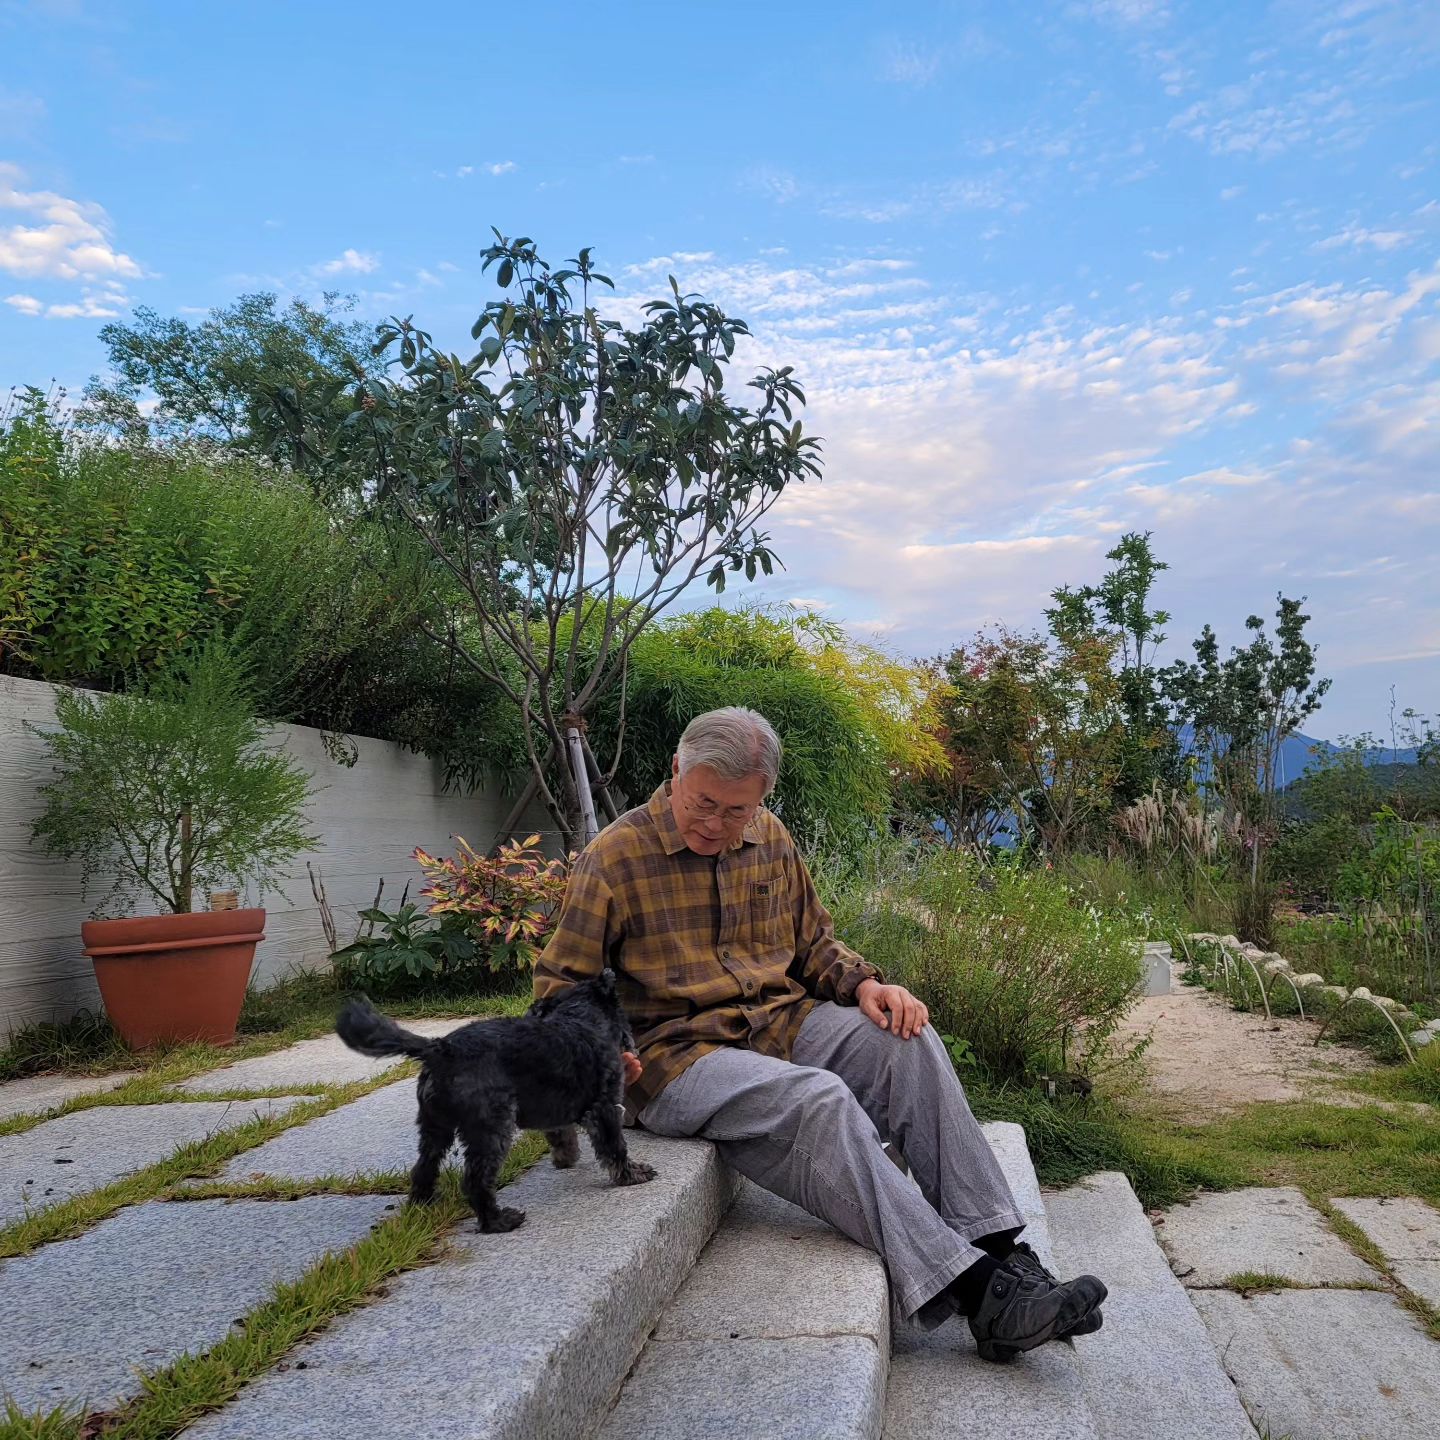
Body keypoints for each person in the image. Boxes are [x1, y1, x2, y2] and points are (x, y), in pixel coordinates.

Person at [533, 706, 1106, 1360]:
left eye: (737, 811)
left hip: (778, 1022)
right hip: (675, 1057)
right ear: (676, 772)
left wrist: (867, 986)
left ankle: (1005, 1255)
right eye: (705, 805)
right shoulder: (615, 857)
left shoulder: (770, 839)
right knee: (819, 1100)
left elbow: (813, 947)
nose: (717, 825)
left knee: (907, 1042)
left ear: (762, 799)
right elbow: (561, 985)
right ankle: (981, 1295)